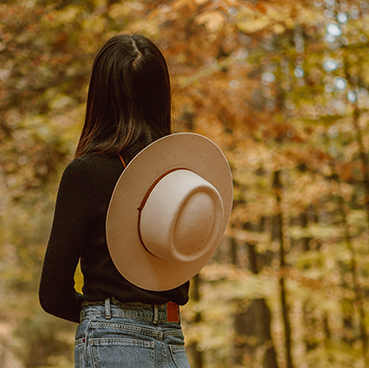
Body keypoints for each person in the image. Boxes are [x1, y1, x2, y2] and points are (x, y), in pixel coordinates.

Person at [39, 34, 232, 368]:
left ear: (99, 94)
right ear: (160, 94)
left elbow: (53, 293)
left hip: (112, 339)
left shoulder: (86, 173)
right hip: (172, 336)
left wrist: (103, 315)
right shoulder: (183, 179)